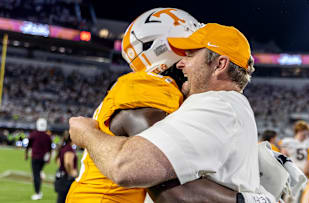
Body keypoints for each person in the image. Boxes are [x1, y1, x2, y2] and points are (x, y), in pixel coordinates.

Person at [66, 8, 263, 203]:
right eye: (184, 50)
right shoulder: (149, 87)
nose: (182, 62)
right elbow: (162, 184)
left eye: (191, 52)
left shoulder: (204, 101)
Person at [25, 118, 52, 200]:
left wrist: (26, 154)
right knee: (38, 173)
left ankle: (37, 193)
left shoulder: (33, 134)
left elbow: (28, 146)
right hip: (43, 158)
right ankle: (40, 174)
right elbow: (50, 149)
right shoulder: (48, 136)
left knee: (36, 175)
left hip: (35, 157)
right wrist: (49, 158)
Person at [55, 131, 78, 203]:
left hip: (61, 178)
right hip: (66, 180)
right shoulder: (69, 149)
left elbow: (58, 161)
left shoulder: (63, 148)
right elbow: (68, 163)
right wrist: (71, 173)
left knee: (61, 199)